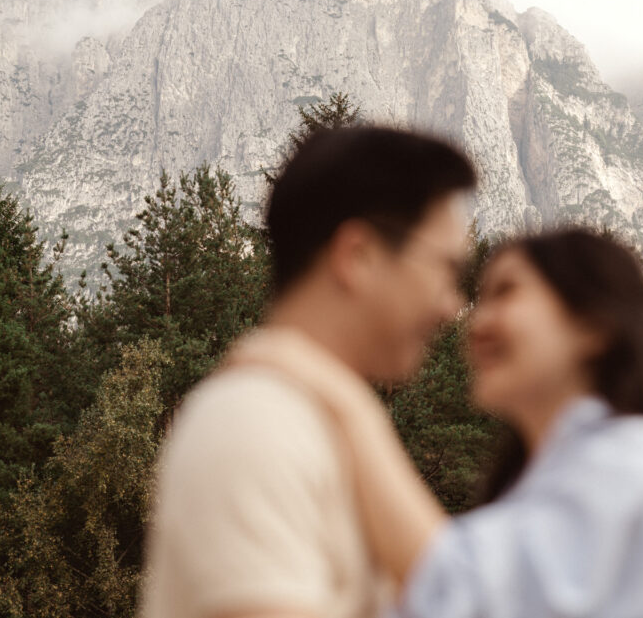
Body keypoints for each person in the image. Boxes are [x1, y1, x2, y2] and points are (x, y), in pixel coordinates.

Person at [238, 227, 643, 618]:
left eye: (506, 293)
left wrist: (341, 397)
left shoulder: (638, 455)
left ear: (594, 327)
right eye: (480, 297)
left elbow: (458, 589)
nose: (476, 321)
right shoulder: (552, 482)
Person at [140, 126, 477, 618]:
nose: (454, 306)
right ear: (357, 257)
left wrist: (350, 404)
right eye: (444, 269)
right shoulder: (254, 425)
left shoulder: (323, 424)